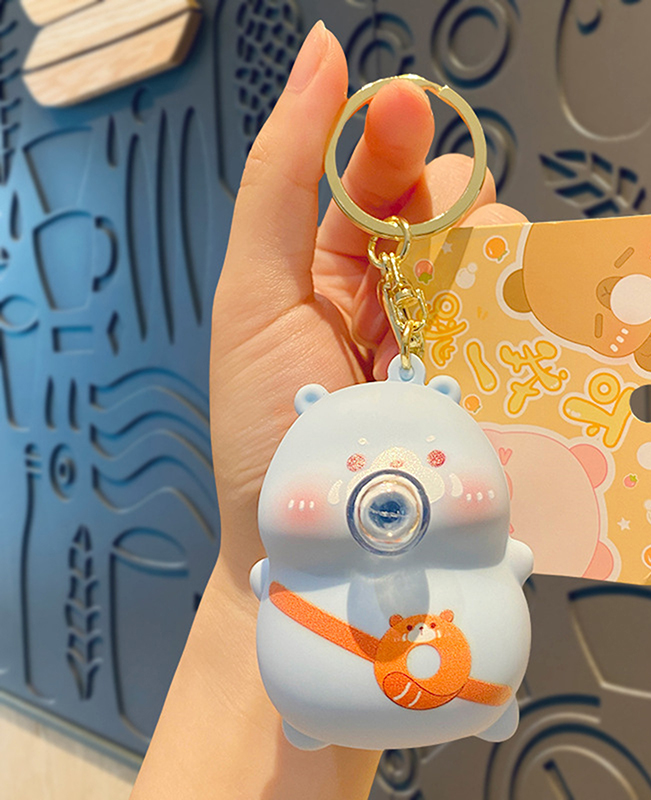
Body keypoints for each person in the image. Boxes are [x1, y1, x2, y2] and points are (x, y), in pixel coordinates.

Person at [129, 20, 527, 799]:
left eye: (435, 461)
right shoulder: (295, 514)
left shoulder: (467, 516)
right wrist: (251, 585)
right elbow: (275, 558)